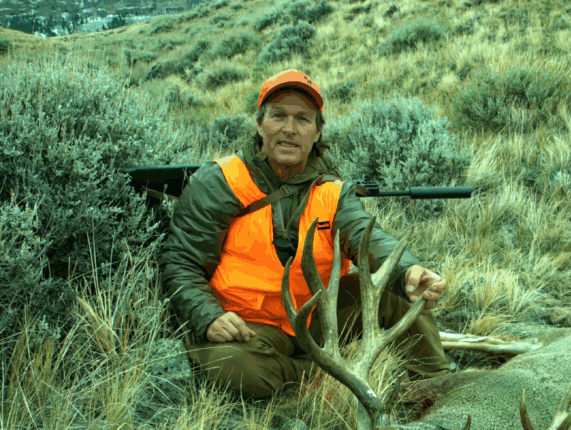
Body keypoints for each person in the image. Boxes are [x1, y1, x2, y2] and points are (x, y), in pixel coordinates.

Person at [158, 70, 450, 398]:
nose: (289, 129)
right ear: (259, 124)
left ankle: (437, 389)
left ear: (316, 132)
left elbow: (367, 238)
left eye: (302, 119)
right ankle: (330, 375)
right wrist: (208, 317)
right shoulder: (220, 181)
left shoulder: (332, 191)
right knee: (225, 363)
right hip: (247, 326)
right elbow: (181, 262)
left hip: (318, 318)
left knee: (397, 293)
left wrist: (406, 271)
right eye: (278, 116)